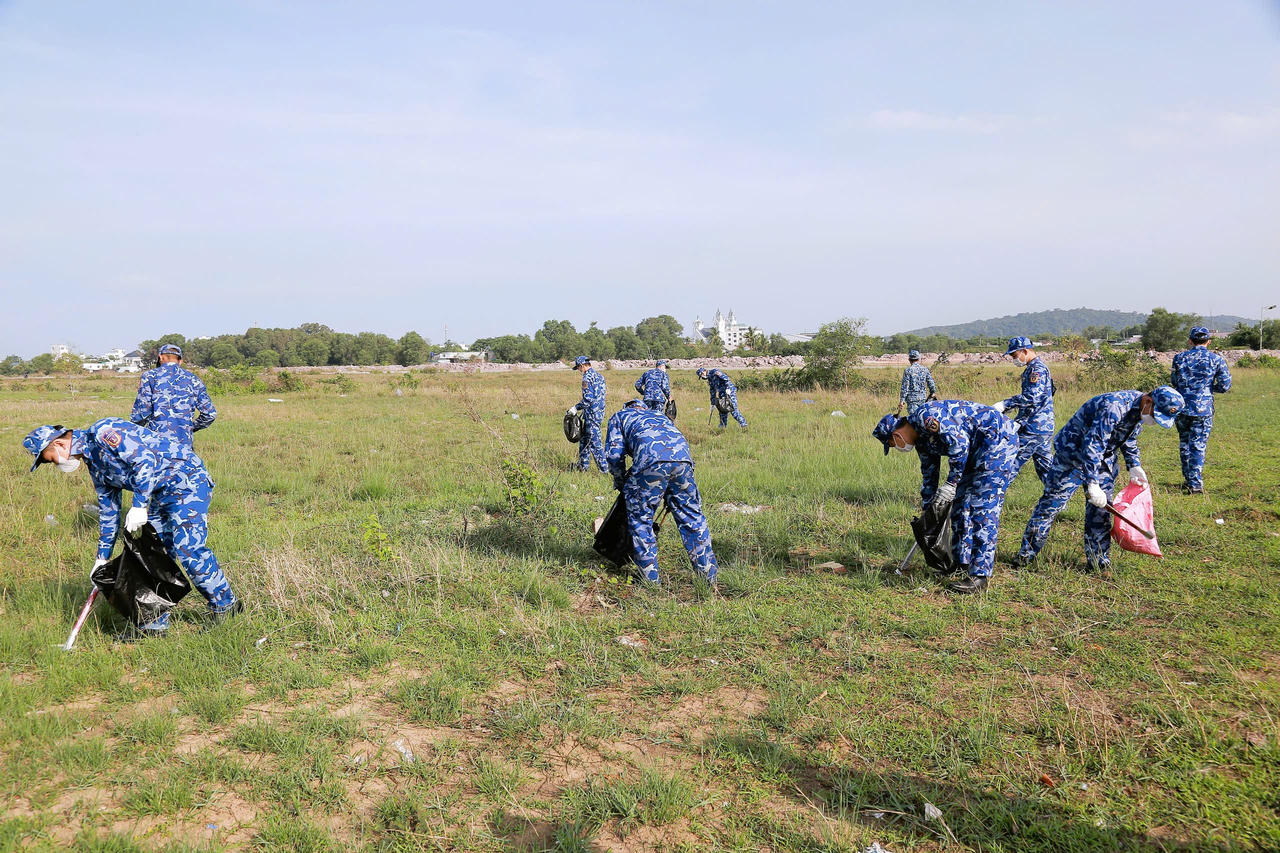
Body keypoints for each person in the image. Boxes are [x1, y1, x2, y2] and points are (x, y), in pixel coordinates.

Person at [23, 418, 241, 639]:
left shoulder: (104, 433)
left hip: (187, 483)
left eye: (49, 460)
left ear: (58, 444)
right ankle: (154, 624)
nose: (55, 464)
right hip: (160, 493)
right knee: (151, 553)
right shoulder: (95, 466)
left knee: (187, 550)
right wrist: (101, 557)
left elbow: (145, 461)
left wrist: (138, 506)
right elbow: (109, 512)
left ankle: (226, 606)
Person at [1015, 386, 1185, 573]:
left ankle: (1098, 562)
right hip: (1071, 455)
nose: (1153, 421)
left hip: (1103, 457)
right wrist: (1092, 483)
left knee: (1102, 511)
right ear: (1148, 401)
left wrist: (1134, 465)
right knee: (1050, 505)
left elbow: (1128, 438)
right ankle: (1025, 556)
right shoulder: (1114, 407)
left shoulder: (1139, 410)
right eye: (1155, 415)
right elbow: (1093, 445)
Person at [872, 399, 1019, 594]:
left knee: (982, 509)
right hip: (974, 450)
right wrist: (928, 509)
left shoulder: (926, 417)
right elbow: (929, 474)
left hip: (997, 442)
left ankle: (980, 576)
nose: (896, 447)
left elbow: (959, 444)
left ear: (896, 434)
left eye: (891, 444)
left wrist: (951, 483)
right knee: (958, 506)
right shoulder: (921, 441)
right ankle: (961, 562)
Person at [605, 399, 718, 586]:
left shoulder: (619, 416)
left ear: (628, 407)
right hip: (684, 463)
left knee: (641, 520)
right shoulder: (659, 415)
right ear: (643, 407)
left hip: (650, 463)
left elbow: (613, 455)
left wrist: (621, 482)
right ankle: (708, 576)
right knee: (692, 518)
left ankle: (650, 581)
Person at [1170, 327, 1231, 494]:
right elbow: (1225, 386)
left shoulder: (1179, 358)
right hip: (1203, 410)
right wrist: (1208, 389)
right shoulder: (1216, 359)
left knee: (1184, 444)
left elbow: (1174, 381)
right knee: (1198, 445)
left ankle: (1189, 479)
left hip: (1182, 408)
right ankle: (1195, 484)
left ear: (1190, 341)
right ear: (1209, 341)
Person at [992, 336, 1054, 482]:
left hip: (1033, 427)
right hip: (1041, 427)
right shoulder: (1033, 368)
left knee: (1008, 464)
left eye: (1014, 355)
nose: (1014, 359)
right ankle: (1056, 499)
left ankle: (990, 500)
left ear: (1025, 351)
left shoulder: (1036, 370)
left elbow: (1032, 397)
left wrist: (1005, 404)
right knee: (1047, 472)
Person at [131, 344, 217, 447]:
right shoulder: (193, 379)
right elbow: (210, 414)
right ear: (180, 360)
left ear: (160, 357)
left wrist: (134, 432)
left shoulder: (150, 376)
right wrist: (189, 428)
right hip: (184, 446)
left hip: (156, 444)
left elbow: (141, 413)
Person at [571, 355, 608, 473]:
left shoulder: (586, 378)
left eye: (578, 368)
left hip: (592, 415)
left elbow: (588, 399)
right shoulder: (599, 376)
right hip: (599, 413)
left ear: (582, 366)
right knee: (584, 440)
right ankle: (583, 466)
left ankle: (605, 470)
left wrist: (575, 408)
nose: (578, 371)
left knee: (595, 443)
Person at [897, 350, 937, 416]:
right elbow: (931, 382)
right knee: (922, 418)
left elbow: (905, 387)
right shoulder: (924, 369)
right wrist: (932, 392)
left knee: (914, 421)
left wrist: (902, 400)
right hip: (923, 399)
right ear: (918, 359)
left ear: (909, 359)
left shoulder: (908, 370)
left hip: (912, 401)